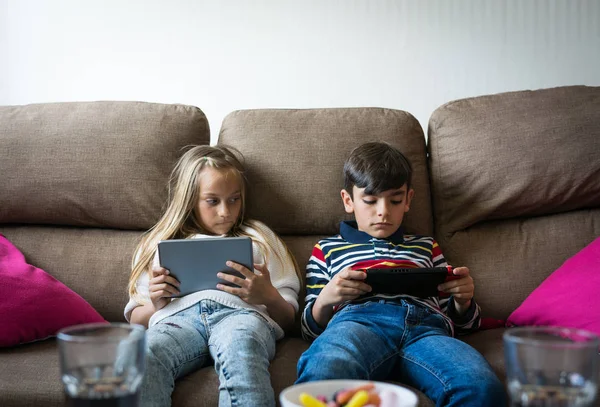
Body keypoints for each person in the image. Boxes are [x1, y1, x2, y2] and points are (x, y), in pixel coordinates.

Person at [296, 142, 507, 406]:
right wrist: (327, 298)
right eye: (370, 201)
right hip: (358, 322)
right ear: (348, 200)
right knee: (323, 373)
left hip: (427, 329)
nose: (383, 211)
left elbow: (465, 325)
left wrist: (463, 301)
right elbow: (308, 329)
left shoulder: (426, 245)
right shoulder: (326, 248)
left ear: (408, 200)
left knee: (481, 387)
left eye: (395, 200)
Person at [125, 145, 301, 407]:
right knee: (143, 354)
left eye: (234, 199)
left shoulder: (259, 238)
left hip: (242, 317)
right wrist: (156, 303)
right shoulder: (159, 243)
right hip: (176, 321)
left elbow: (288, 318)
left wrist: (269, 296)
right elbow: (135, 320)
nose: (225, 212)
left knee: (242, 348)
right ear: (190, 199)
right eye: (212, 201)